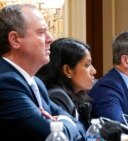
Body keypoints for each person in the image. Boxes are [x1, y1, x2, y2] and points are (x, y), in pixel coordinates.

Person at [0, 4, 85, 141]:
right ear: (15, 40)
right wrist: (64, 122)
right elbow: (49, 135)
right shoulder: (5, 82)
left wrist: (61, 121)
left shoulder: (36, 83)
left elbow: (80, 128)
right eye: (41, 32)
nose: (50, 38)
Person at [36, 37, 97, 129]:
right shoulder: (57, 96)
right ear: (68, 70)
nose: (94, 71)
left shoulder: (77, 95)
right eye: (87, 65)